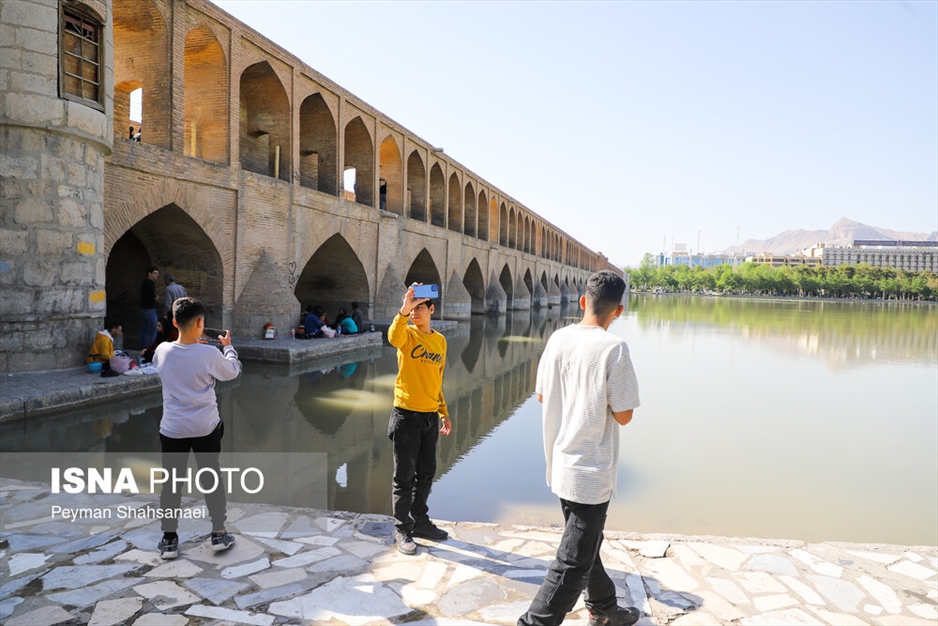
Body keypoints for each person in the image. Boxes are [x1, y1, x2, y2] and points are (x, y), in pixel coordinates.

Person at [518, 270, 642, 626]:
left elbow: (542, 394)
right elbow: (624, 416)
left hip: (560, 462)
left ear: (583, 301)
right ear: (618, 311)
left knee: (586, 547)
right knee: (572, 562)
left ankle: (604, 610)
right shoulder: (614, 348)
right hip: (590, 472)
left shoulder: (558, 339)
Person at [152, 297, 241, 560]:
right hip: (205, 427)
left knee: (171, 483)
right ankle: (219, 533)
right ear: (201, 323)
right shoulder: (209, 353)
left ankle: (169, 539)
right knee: (211, 478)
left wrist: (194, 349)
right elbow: (232, 371)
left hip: (173, 429)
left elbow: (174, 362)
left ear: (174, 322)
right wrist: (228, 347)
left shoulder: (162, 351)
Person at [387, 284, 451, 555]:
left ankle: (420, 521)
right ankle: (402, 528)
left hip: (429, 417)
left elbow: (437, 380)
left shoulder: (440, 341)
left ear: (431, 309)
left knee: (426, 474)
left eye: (420, 308)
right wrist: (405, 306)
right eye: (413, 309)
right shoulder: (406, 335)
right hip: (406, 415)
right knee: (404, 477)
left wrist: (444, 412)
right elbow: (392, 336)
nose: (415, 313)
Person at [140, 266, 160, 349]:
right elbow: (153, 296)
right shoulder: (150, 283)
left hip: (144, 308)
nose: (157, 275)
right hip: (149, 308)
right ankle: (152, 347)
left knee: (145, 328)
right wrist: (156, 297)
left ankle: (144, 347)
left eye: (157, 273)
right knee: (155, 328)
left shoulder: (144, 282)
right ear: (149, 273)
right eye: (155, 273)